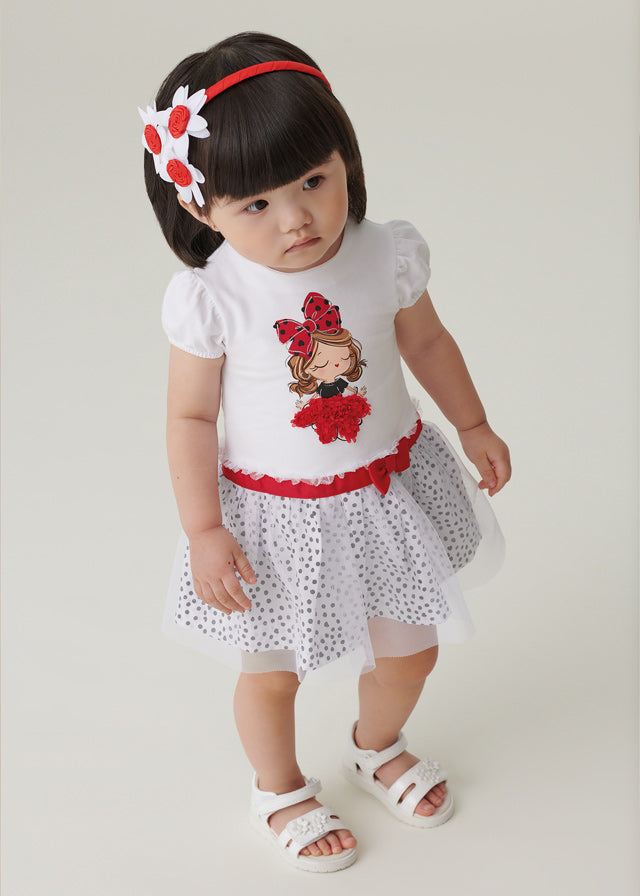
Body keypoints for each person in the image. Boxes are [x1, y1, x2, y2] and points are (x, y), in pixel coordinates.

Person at [140, 31, 511, 872]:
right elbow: (190, 418)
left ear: (346, 157)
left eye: (313, 180)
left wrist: (474, 424)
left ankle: (377, 747)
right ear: (200, 209)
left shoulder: (385, 253)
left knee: (410, 652)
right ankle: (277, 788)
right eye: (255, 204)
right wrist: (204, 528)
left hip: (386, 492)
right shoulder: (214, 298)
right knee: (273, 673)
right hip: (279, 519)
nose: (296, 218)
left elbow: (427, 343)